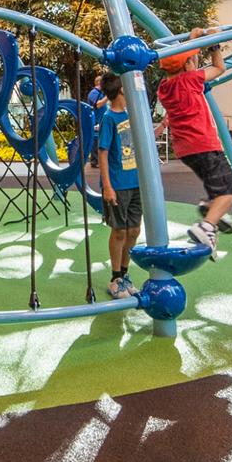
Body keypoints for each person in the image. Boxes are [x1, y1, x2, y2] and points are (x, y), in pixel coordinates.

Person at [156, 30, 232, 255]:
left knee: (217, 187)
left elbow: (183, 63)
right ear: (186, 65)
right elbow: (220, 68)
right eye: (192, 60)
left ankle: (210, 208)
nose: (195, 63)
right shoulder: (191, 80)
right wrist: (213, 45)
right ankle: (207, 225)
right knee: (231, 191)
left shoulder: (163, 89)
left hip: (186, 150)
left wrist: (191, 47)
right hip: (204, 145)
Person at [92, 73, 142, 299]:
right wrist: (107, 186)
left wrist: (162, 125)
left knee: (134, 230)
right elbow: (103, 154)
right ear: (122, 90)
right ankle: (115, 278)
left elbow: (143, 144)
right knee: (119, 230)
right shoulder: (109, 119)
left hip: (136, 183)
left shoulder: (134, 115)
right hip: (118, 185)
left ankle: (124, 274)